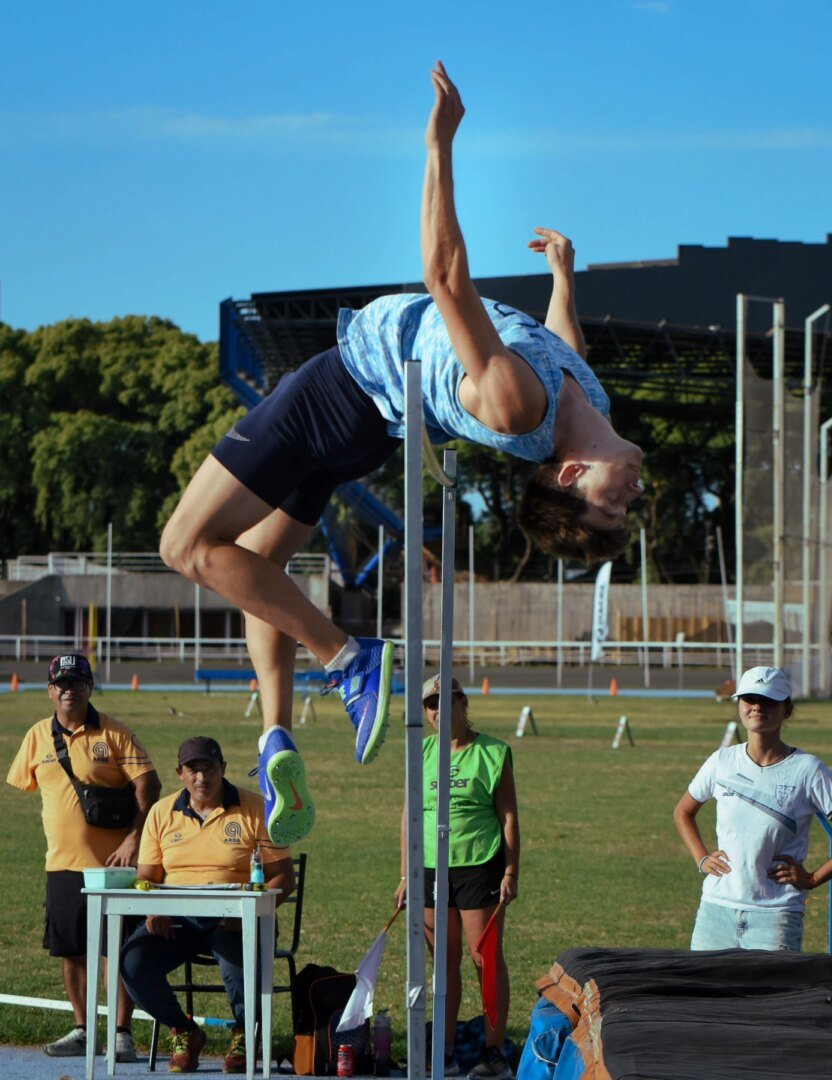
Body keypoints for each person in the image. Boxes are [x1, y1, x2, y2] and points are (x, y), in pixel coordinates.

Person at [159, 61, 643, 848]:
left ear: (570, 475)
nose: (634, 494)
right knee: (256, 565)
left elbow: (445, 278)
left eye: (613, 504)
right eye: (628, 505)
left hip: (340, 391)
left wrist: (438, 146)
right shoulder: (581, 399)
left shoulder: (516, 405)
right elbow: (565, 347)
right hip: (366, 429)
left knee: (184, 546)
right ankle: (276, 736)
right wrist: (564, 277)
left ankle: (346, 659)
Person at [6, 653, 161, 1060]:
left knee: (118, 950)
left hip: (114, 868)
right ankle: (83, 1029)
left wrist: (133, 839)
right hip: (61, 864)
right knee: (72, 951)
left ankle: (121, 1033)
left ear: (90, 688)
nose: (68, 690)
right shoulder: (37, 736)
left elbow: (149, 785)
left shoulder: (115, 732)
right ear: (50, 690)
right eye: (61, 683)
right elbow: (25, 783)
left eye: (76, 683)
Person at [120, 735, 295, 1075]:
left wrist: (249, 911)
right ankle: (184, 1030)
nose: (202, 777)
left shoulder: (256, 807)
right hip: (178, 921)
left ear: (223, 768)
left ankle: (245, 1034)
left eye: (210, 768)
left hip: (237, 919)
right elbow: (146, 877)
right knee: (131, 961)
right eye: (193, 769)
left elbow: (283, 878)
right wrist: (154, 909)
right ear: (180, 773)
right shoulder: (161, 812)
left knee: (240, 958)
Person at [673, 665, 832, 951]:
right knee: (703, 983)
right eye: (750, 699)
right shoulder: (721, 761)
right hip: (715, 911)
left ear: (787, 709)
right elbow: (683, 812)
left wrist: (812, 878)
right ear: (739, 705)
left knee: (773, 984)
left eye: (769, 700)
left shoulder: (808, 769)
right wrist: (702, 858)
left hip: (776, 917)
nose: (757, 707)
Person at [394, 676, 519, 1080]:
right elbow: (409, 815)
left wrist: (511, 870)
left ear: (463, 704)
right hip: (430, 868)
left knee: (485, 959)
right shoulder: (421, 752)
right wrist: (406, 873)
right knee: (443, 962)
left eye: (446, 702)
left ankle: (494, 1051)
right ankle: (443, 1050)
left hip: (479, 863)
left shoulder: (493, 752)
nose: (438, 712)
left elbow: (508, 816)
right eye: (431, 705)